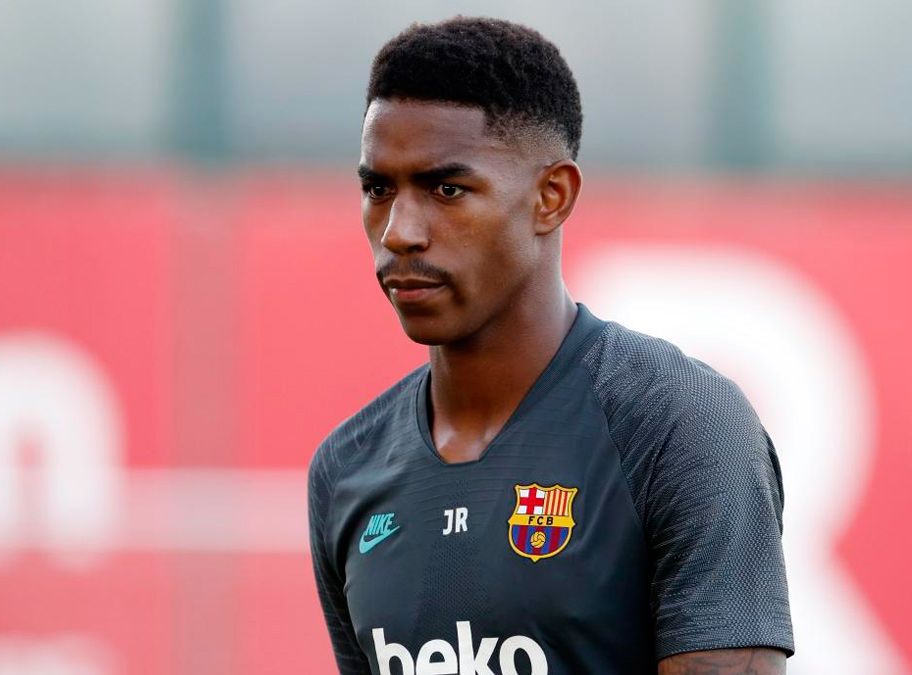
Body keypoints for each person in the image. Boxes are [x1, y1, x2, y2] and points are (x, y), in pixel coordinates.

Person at [308, 16, 793, 675]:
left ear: (551, 197)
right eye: (378, 189)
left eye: (446, 189)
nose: (399, 231)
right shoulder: (346, 469)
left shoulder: (680, 425)